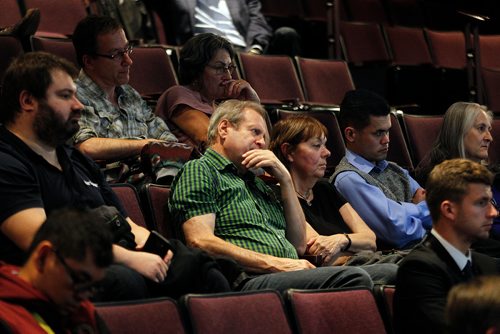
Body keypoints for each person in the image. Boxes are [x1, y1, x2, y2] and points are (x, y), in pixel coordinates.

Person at [0, 51, 178, 302]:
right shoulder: (6, 161)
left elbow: (126, 222)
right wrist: (132, 258)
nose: (79, 105)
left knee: (196, 266)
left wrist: (156, 249)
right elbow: (40, 238)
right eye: (65, 96)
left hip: (113, 250)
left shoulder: (75, 158)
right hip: (56, 272)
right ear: (28, 101)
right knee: (126, 281)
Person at [169, 99, 375, 293]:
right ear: (224, 129)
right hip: (249, 278)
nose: (261, 143)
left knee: (392, 273)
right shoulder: (201, 170)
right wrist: (277, 264)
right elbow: (200, 241)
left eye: (265, 138)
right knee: (355, 279)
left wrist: (285, 179)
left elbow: (298, 245)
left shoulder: (258, 184)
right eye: (255, 132)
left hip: (290, 272)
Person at [269, 115, 399, 283]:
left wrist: (341, 240)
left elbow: (370, 239)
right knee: (399, 271)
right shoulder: (279, 196)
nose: (327, 152)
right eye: (316, 146)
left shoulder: (325, 188)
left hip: (365, 263)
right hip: (342, 273)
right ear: (289, 152)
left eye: (325, 145)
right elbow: (318, 252)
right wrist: (354, 244)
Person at [393, 159, 499, 334]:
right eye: (481, 203)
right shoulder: (419, 269)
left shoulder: (487, 265)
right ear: (449, 210)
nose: (493, 212)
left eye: (491, 203)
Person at [330, 89, 432, 249]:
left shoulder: (395, 169)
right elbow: (399, 233)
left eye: (387, 131)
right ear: (350, 134)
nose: (386, 140)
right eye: (378, 133)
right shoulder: (348, 179)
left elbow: (438, 212)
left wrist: (404, 212)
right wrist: (421, 209)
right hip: (394, 262)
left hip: (425, 251)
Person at [71, 15, 177, 163]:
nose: (128, 61)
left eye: (127, 49)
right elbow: (86, 146)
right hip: (114, 183)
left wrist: (174, 151)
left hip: (155, 176)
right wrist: (145, 145)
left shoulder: (129, 93)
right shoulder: (73, 97)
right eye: (116, 54)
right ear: (89, 61)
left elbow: (163, 135)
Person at [0, 207, 113, 333]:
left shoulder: (84, 313)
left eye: (93, 287)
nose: (83, 296)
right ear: (43, 257)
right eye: (79, 279)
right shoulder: (6, 318)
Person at [156, 32, 260, 150]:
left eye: (229, 68)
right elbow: (213, 140)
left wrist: (252, 103)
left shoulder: (221, 107)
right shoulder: (178, 94)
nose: (228, 76)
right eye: (219, 68)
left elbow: (260, 139)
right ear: (196, 70)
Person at [414, 102, 500, 244]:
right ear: (458, 132)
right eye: (481, 128)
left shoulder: (495, 178)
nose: (489, 137)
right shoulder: (439, 183)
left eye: (489, 129)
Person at [143, 0, 301, 56]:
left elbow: (258, 20)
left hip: (245, 50)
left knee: (287, 35)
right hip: (204, 49)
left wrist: (255, 49)